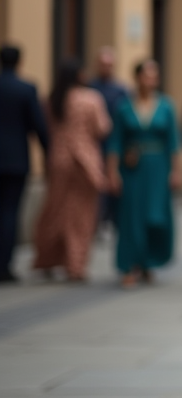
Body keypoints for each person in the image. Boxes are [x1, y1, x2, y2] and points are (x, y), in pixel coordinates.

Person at [107, 59, 182, 289]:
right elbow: (114, 142)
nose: (151, 79)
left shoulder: (166, 106)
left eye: (154, 75)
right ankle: (130, 265)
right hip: (132, 169)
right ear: (137, 77)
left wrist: (176, 171)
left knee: (155, 216)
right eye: (147, 75)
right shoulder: (123, 107)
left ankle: (149, 262)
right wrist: (112, 172)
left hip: (158, 168)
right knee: (131, 217)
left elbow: (174, 142)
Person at [33, 59, 112, 281]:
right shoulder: (90, 99)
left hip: (59, 160)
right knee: (82, 216)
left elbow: (45, 128)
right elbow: (103, 128)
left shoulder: (53, 100)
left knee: (55, 211)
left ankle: (47, 259)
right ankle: (75, 264)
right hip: (85, 162)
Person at [0, 45, 49, 282]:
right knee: (9, 212)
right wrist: (48, 153)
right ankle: (4, 265)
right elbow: (38, 126)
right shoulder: (26, 89)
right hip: (16, 160)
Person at [90, 46, 129, 235]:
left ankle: (115, 220)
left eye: (109, 64)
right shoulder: (90, 88)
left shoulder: (121, 90)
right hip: (94, 145)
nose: (106, 68)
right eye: (103, 64)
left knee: (115, 183)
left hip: (116, 144)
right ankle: (99, 221)